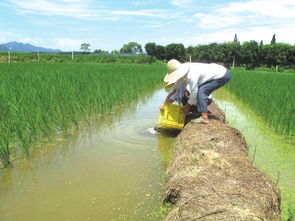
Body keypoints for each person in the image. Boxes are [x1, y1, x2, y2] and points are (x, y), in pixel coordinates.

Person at [162, 59, 230, 124]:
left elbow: (194, 92)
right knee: (199, 91)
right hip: (219, 72)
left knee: (202, 91)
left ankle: (204, 118)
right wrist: (165, 103)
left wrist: (187, 106)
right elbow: (175, 87)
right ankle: (199, 112)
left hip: (222, 75)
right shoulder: (184, 71)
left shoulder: (191, 75)